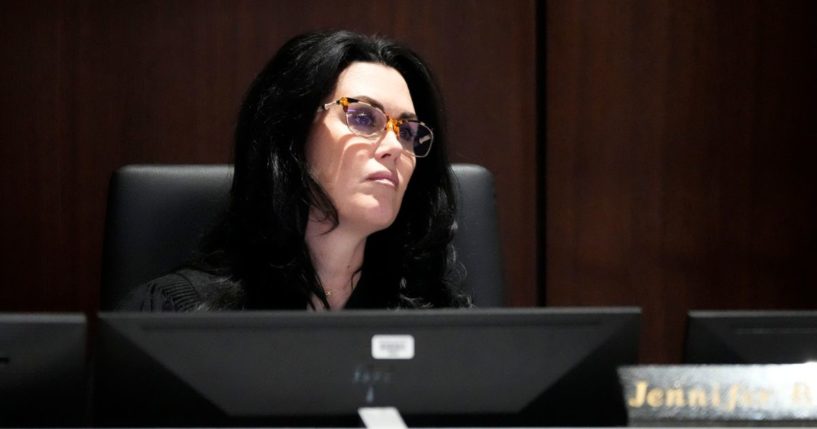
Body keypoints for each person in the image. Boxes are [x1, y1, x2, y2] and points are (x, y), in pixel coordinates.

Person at [119, 30, 470, 311]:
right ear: (291, 134)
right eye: (363, 117)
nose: (395, 147)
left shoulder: (436, 321)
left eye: (408, 132)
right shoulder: (178, 312)